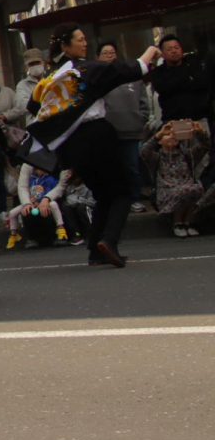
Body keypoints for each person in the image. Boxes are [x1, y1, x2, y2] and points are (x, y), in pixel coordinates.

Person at [25, 22, 160, 267]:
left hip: (71, 144)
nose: (85, 43)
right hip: (96, 134)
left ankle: (96, 250)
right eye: (80, 39)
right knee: (124, 189)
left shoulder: (50, 76)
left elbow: (33, 107)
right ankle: (109, 241)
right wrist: (151, 50)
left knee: (103, 194)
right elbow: (132, 69)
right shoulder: (84, 69)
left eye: (85, 39)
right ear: (65, 45)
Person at [98, 42, 151, 213]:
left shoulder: (132, 76)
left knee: (132, 167)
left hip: (131, 129)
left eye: (112, 52)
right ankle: (117, 200)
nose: (109, 55)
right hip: (107, 132)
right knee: (112, 168)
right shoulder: (97, 77)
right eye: (105, 53)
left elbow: (144, 104)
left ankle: (135, 198)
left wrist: (139, 119)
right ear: (98, 57)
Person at [139, 120, 207, 237]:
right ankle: (177, 223)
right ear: (160, 141)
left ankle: (187, 222)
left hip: (188, 191)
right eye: (168, 135)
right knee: (184, 190)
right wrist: (159, 134)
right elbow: (144, 151)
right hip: (166, 195)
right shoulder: (157, 157)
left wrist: (200, 132)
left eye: (174, 134)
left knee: (197, 188)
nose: (172, 137)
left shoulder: (185, 155)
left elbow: (204, 146)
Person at [150, 35, 210, 125]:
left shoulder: (193, 65)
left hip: (199, 119)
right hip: (172, 121)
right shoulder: (158, 72)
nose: (174, 51)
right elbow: (163, 88)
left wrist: (174, 83)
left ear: (181, 49)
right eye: (169, 49)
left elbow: (203, 83)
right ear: (162, 53)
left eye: (176, 48)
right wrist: (188, 80)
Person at [5, 164, 67, 249]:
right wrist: (29, 201)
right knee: (12, 213)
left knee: (54, 204)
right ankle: (14, 235)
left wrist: (42, 200)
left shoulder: (49, 179)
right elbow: (27, 190)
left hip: (45, 202)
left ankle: (61, 229)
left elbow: (49, 191)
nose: (40, 171)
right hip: (32, 203)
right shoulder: (32, 179)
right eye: (38, 169)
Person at [10, 48, 48, 127]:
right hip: (35, 125)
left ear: (43, 63)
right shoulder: (22, 85)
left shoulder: (52, 78)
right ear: (26, 67)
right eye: (31, 64)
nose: (35, 66)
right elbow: (23, 107)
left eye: (37, 62)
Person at [58, 170, 94, 246]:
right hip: (73, 207)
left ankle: (91, 234)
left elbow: (93, 202)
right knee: (66, 208)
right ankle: (76, 235)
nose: (68, 175)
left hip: (88, 208)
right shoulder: (70, 186)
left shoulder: (88, 185)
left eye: (70, 173)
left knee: (82, 208)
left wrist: (78, 200)